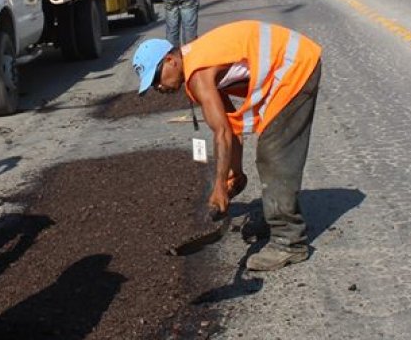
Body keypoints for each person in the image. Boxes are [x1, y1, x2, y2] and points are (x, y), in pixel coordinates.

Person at [131, 20, 322, 272]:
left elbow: (220, 133)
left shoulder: (199, 74)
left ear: (170, 60)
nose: (158, 87)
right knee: (270, 151)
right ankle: (275, 218)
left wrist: (220, 186)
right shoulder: (198, 63)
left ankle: (289, 241)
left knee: (274, 153)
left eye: (156, 78)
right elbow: (230, 127)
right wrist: (236, 172)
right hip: (288, 65)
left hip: (296, 66)